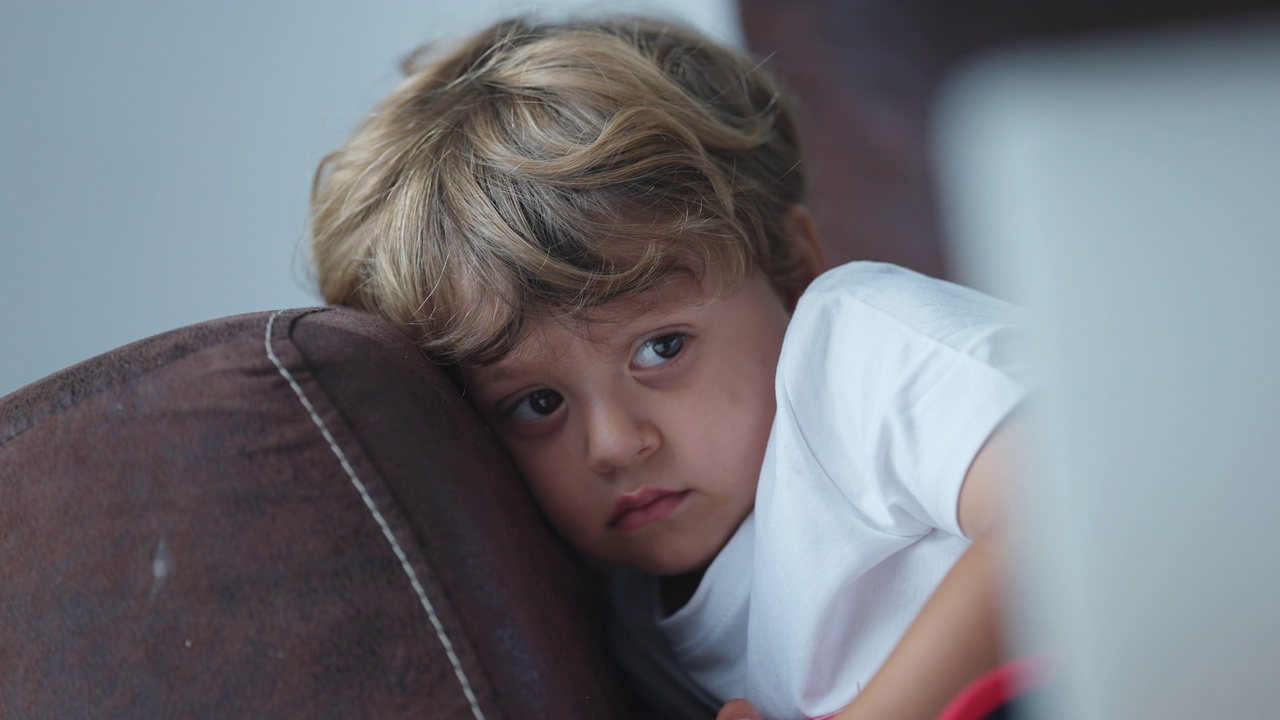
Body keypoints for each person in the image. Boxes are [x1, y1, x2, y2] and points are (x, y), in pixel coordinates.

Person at [309, 15, 1031, 720]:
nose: (615, 444)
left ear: (792, 270)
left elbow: (1070, 502)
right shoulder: (638, 632)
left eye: (661, 348)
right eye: (537, 404)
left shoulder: (854, 348)